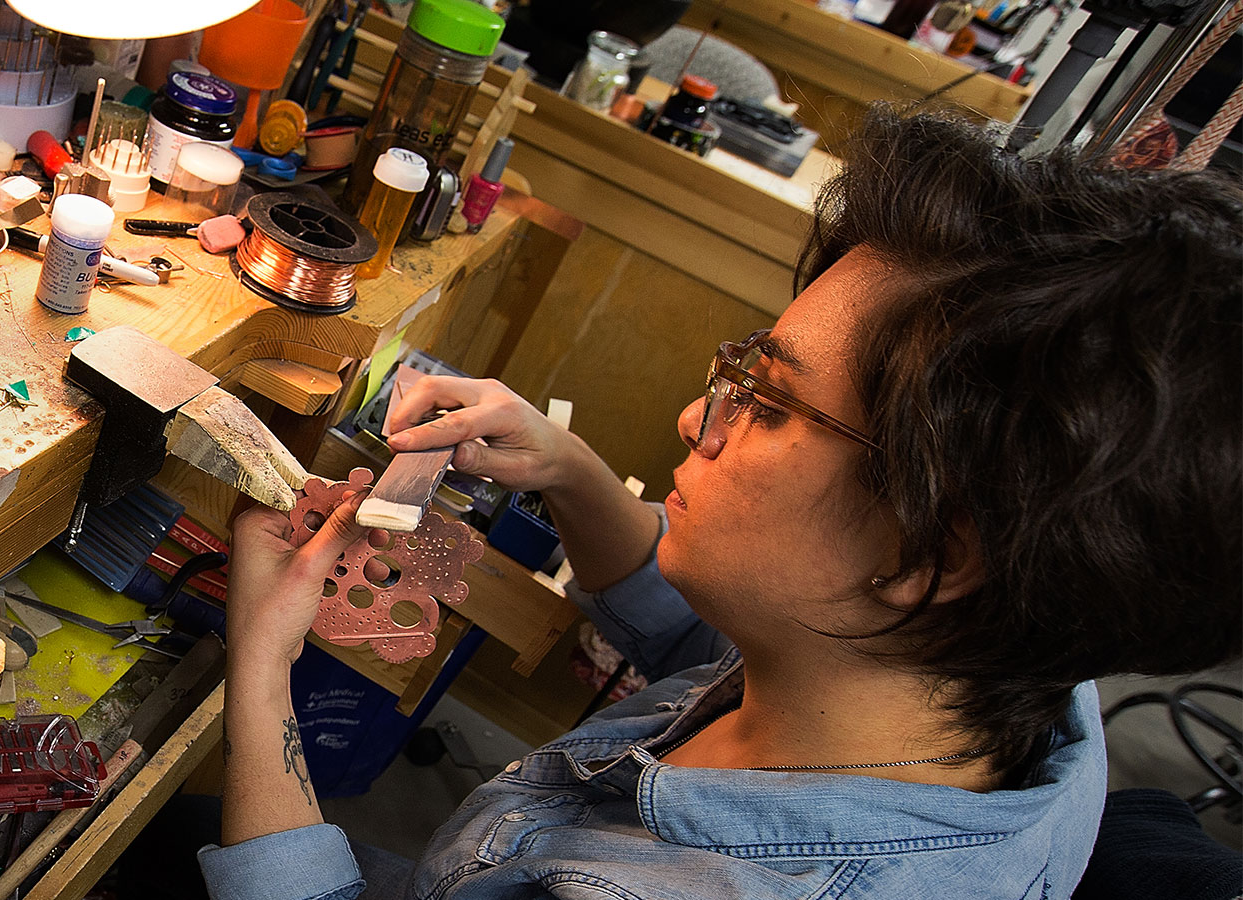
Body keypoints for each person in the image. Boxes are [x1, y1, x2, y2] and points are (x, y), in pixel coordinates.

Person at [197, 110, 1243, 899]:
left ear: (934, 552)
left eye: (774, 404)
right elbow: (715, 636)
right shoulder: (1015, 688)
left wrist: (261, 664)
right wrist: (566, 469)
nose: (702, 416)